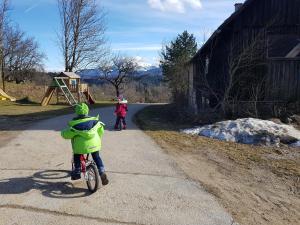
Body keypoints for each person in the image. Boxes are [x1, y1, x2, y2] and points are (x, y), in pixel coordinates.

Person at [61, 103, 109, 185]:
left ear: (77, 112)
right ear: (87, 112)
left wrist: (62, 133)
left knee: (77, 155)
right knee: (96, 157)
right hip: (94, 144)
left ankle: (77, 171)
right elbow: (101, 131)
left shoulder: (75, 125)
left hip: (81, 147)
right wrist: (98, 138)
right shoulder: (94, 122)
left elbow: (66, 135)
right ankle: (101, 171)